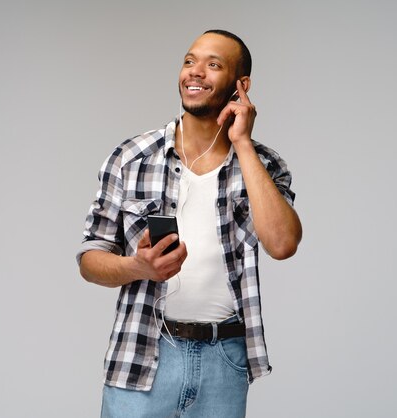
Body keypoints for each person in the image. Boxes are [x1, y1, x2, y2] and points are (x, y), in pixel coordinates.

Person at [77, 29, 302, 418]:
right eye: (189, 61)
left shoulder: (265, 165)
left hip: (225, 357)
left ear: (240, 85)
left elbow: (282, 244)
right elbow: (89, 258)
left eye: (213, 65)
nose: (194, 73)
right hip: (144, 352)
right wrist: (138, 266)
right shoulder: (132, 157)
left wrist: (244, 144)